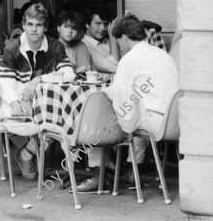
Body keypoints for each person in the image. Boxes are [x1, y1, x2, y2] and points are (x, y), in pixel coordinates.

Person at [76, 15, 180, 194]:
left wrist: (106, 92)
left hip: (154, 125)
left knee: (97, 116)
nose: (120, 47)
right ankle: (131, 170)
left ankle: (99, 174)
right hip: (175, 123)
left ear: (124, 37)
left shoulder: (130, 60)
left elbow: (118, 93)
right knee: (136, 108)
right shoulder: (163, 55)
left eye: (118, 42)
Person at [0, 3, 74, 180]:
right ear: (23, 25)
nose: (34, 29)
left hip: (45, 101)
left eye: (39, 25)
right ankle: (31, 151)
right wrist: (14, 102)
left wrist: (39, 79)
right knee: (13, 120)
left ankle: (26, 154)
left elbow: (69, 74)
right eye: (30, 24)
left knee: (60, 119)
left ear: (45, 27)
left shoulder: (55, 46)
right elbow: (5, 82)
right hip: (17, 98)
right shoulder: (12, 48)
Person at [82, 5, 120, 82]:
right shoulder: (84, 45)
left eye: (105, 24)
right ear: (87, 24)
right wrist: (112, 36)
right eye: (98, 23)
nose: (103, 28)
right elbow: (113, 67)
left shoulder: (107, 41)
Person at [56, 10, 94, 76]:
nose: (70, 31)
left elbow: (88, 71)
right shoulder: (51, 46)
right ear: (58, 28)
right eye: (66, 26)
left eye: (74, 28)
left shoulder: (80, 46)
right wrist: (75, 71)